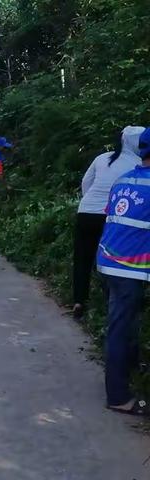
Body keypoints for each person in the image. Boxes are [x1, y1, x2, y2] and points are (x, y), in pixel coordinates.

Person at [96, 126, 150, 416]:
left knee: (124, 323)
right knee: (120, 328)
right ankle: (117, 395)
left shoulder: (123, 179)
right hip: (128, 269)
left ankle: (129, 372)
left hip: (107, 262)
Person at [73, 126, 144, 319]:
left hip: (86, 212)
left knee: (82, 258)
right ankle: (108, 302)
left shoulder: (102, 158)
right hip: (111, 217)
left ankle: (79, 300)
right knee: (110, 258)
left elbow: (86, 183)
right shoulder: (138, 164)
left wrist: (91, 204)